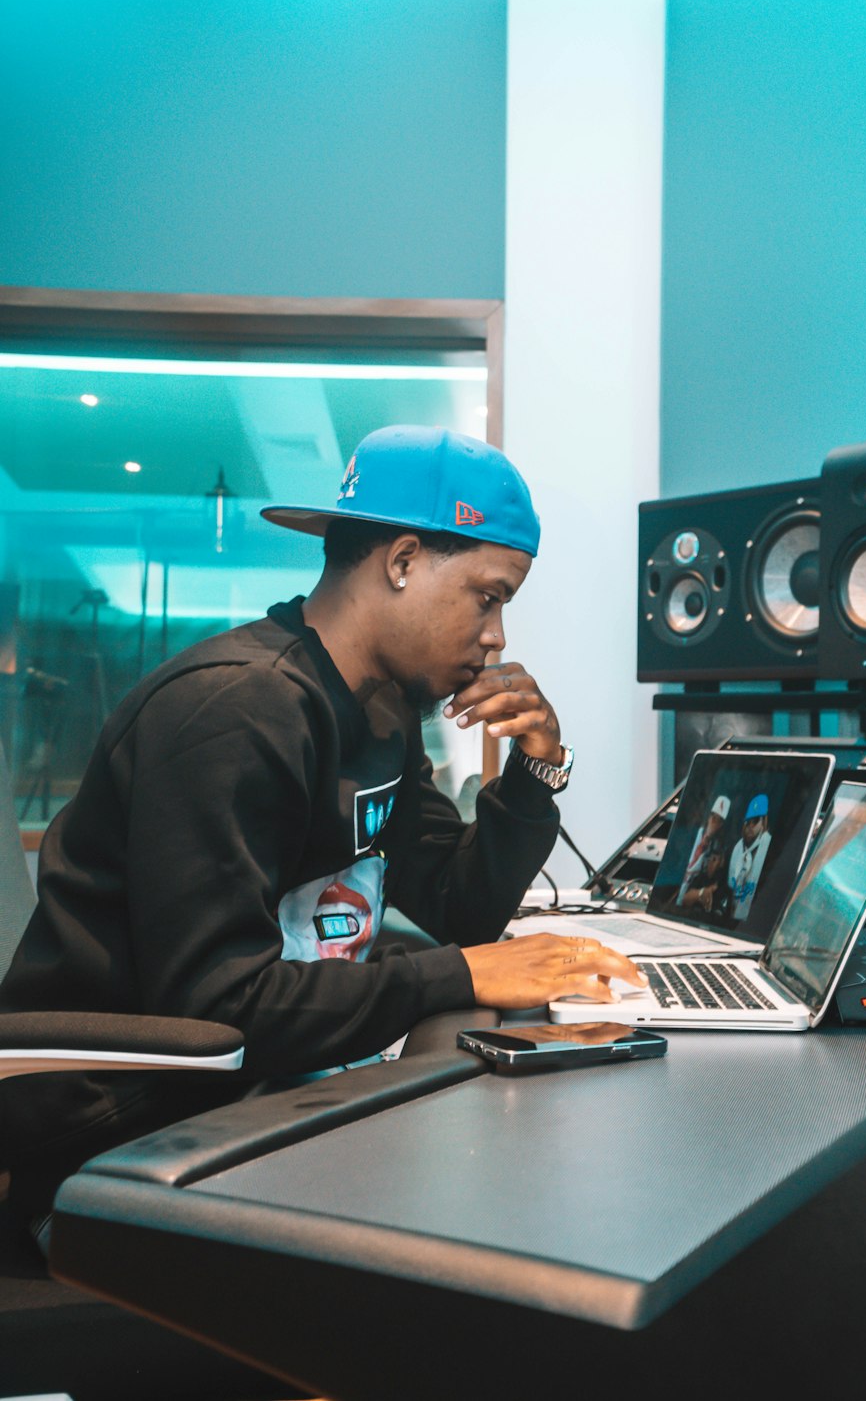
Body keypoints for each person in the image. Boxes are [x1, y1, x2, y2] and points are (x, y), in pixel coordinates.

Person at [0, 424, 645, 1244]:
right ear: (403, 561)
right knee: (500, 1223)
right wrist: (463, 975)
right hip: (126, 1130)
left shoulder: (380, 709)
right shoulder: (236, 712)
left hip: (261, 1079)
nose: (497, 638)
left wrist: (536, 769)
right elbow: (218, 1005)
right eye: (490, 596)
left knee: (523, 1163)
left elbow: (460, 908)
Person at [676, 793, 730, 906]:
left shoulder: (718, 850)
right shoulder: (694, 834)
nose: (714, 822)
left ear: (721, 825)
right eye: (713, 817)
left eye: (718, 820)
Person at [727, 793, 772, 920]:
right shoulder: (737, 848)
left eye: (755, 821)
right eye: (748, 822)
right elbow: (731, 886)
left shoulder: (768, 846)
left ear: (764, 821)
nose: (750, 826)